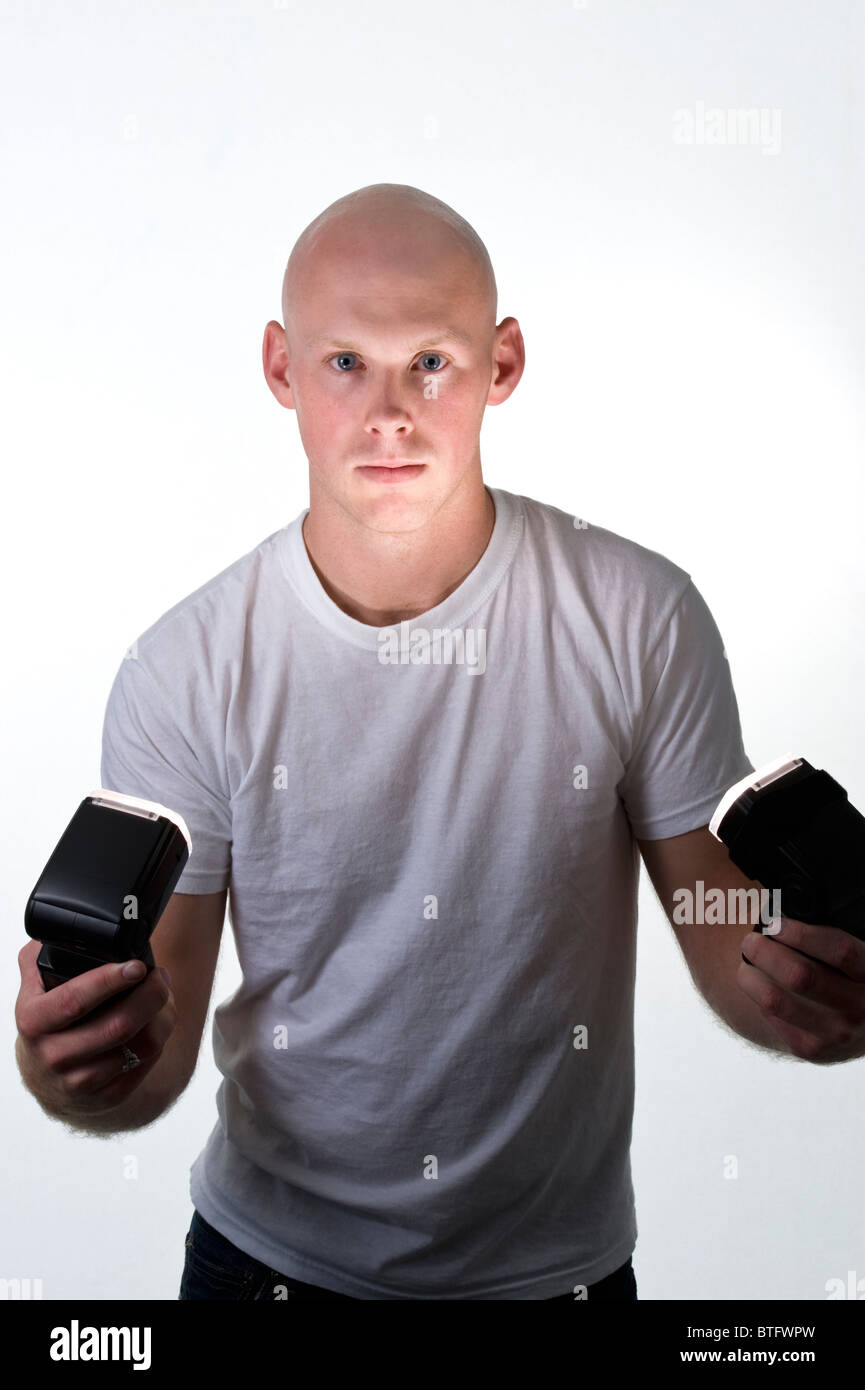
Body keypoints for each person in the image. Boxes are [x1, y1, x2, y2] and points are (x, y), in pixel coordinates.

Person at [15, 182, 753, 1300]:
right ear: (280, 369)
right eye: (345, 362)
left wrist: (823, 983)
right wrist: (66, 1060)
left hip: (558, 1280)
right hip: (267, 1269)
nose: (390, 411)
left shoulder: (638, 614)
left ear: (502, 364)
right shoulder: (186, 666)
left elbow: (736, 948)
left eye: (432, 361)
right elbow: (146, 1054)